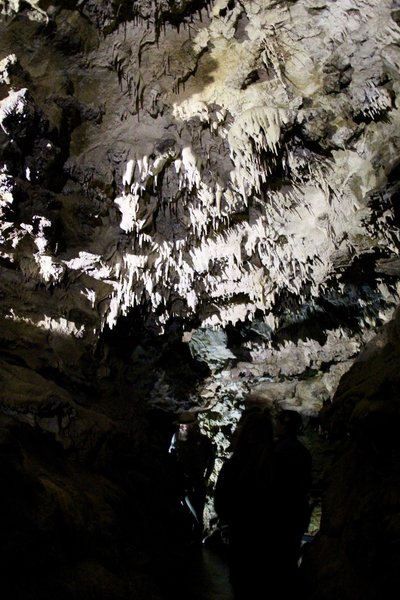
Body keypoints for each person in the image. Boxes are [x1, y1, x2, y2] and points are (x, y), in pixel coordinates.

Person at [214, 408, 275, 599]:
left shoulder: (235, 464)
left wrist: (226, 523)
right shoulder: (276, 463)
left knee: (242, 583)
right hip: (268, 534)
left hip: (241, 532)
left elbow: (221, 498)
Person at [272, 409, 313, 598]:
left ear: (284, 425)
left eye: (278, 422)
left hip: (280, 512)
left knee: (277, 559)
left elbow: (271, 483)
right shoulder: (303, 452)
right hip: (296, 511)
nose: (275, 426)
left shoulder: (276, 450)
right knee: (290, 556)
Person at [169, 411, 215, 541]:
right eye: (181, 425)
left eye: (186, 425)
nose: (183, 427)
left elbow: (211, 459)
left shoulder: (203, 440)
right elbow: (170, 455)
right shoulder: (176, 437)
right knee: (184, 508)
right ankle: (189, 536)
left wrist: (206, 478)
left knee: (197, 510)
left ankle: (197, 535)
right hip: (181, 480)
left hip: (198, 480)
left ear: (193, 426)